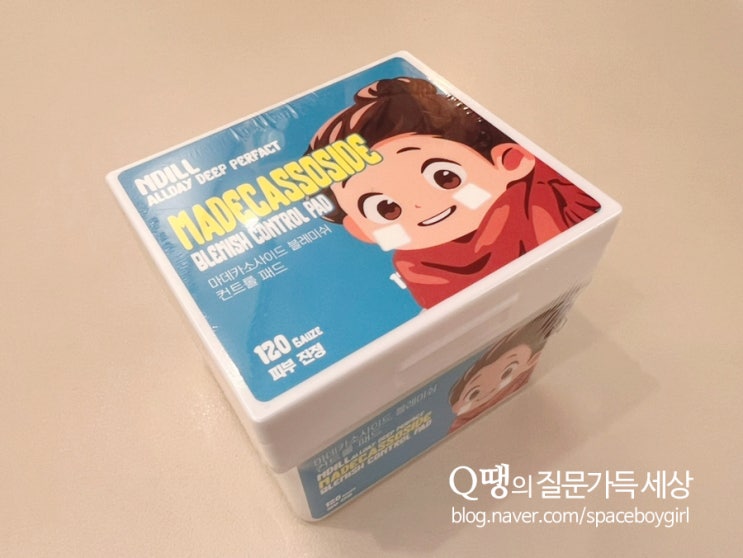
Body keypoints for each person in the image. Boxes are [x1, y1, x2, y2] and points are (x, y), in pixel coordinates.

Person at [309, 77, 600, 308]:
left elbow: (590, 229)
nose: (420, 205)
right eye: (387, 209)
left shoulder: (551, 195)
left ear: (510, 161)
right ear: (362, 231)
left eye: (446, 177)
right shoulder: (417, 268)